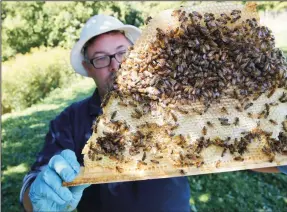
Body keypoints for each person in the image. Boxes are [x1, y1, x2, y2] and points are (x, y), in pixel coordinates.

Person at [20, 14, 287, 212]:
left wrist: (281, 157)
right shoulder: (69, 121)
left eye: (121, 53)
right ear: (88, 68)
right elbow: (32, 188)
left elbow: (233, 149)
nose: (115, 65)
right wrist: (39, 193)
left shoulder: (173, 106)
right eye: (101, 58)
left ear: (136, 55)